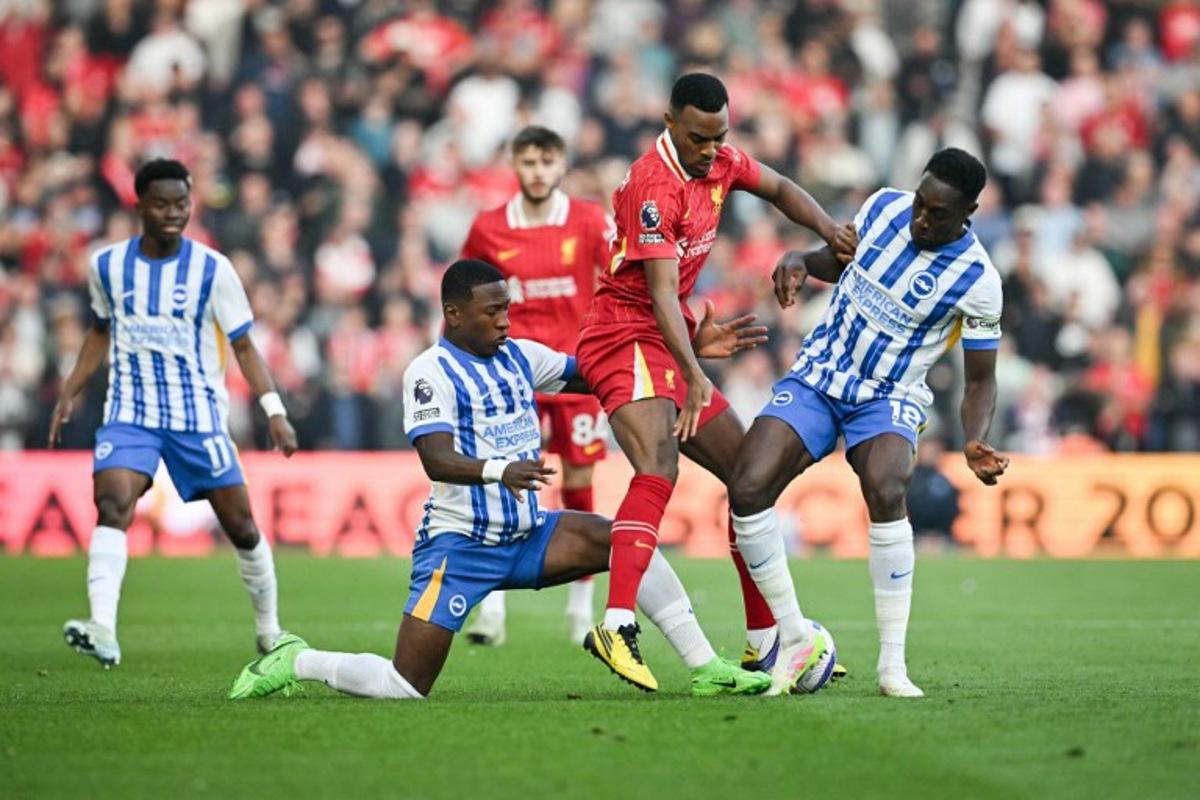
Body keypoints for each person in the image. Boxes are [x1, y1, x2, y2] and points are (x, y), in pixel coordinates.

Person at [228, 260, 771, 699]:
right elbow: (436, 458)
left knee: (629, 541)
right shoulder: (429, 373)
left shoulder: (521, 357)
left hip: (530, 536)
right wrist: (500, 470)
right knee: (405, 686)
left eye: (507, 309)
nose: (505, 321)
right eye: (492, 312)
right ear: (453, 313)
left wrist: (681, 352)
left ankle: (705, 667)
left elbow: (606, 372)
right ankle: (298, 659)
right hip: (460, 547)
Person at [575, 72, 855, 691]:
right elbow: (659, 294)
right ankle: (616, 624)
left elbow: (779, 187)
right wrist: (694, 371)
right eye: (698, 138)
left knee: (749, 478)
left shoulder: (720, 162)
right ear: (670, 122)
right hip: (624, 335)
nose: (710, 150)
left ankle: (764, 643)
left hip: (665, 337)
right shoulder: (653, 186)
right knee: (659, 466)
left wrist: (828, 229)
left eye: (719, 137)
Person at [727, 148, 1010, 697]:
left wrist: (975, 437)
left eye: (937, 214)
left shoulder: (978, 280)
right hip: (821, 373)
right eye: (920, 204)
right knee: (747, 485)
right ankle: (795, 635)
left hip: (889, 393)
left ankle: (892, 666)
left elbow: (980, 379)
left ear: (969, 212)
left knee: (886, 485)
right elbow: (840, 261)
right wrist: (801, 260)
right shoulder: (883, 207)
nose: (921, 219)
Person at [51, 159, 298, 668]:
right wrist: (71, 388)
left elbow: (244, 345)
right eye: (161, 204)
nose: (173, 213)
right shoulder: (107, 266)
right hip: (131, 412)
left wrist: (274, 410)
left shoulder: (213, 269)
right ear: (140, 205)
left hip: (198, 417)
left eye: (181, 204)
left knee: (242, 527)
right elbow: (99, 331)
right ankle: (103, 628)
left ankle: (269, 630)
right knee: (112, 502)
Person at [459, 125, 612, 646]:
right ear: (515, 166)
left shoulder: (589, 220)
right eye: (528, 162)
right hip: (513, 375)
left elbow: (621, 280)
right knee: (502, 481)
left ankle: (580, 606)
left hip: (575, 374)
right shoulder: (489, 227)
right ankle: (492, 609)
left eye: (547, 162)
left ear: (562, 164)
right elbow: (463, 294)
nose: (538, 172)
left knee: (579, 481)